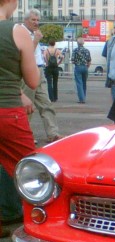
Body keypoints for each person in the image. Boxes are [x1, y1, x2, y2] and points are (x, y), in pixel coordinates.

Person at [0, 0, 40, 242]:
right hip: (7, 113)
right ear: (11, 2)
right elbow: (33, 80)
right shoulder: (17, 31)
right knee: (35, 173)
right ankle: (44, 236)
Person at [21, 8, 63, 144]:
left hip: (39, 71)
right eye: (33, 20)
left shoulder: (34, 33)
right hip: (28, 72)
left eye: (38, 20)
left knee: (46, 104)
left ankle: (53, 134)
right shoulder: (21, 33)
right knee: (27, 108)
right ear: (25, 20)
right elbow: (24, 55)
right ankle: (24, 136)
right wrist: (35, 40)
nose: (36, 22)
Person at [71, 37, 91, 104]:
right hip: (85, 67)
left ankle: (81, 99)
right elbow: (89, 60)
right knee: (84, 83)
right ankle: (84, 97)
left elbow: (72, 60)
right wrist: (87, 66)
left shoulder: (75, 50)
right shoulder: (87, 50)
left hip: (78, 67)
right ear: (83, 43)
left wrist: (76, 62)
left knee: (79, 83)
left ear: (77, 43)